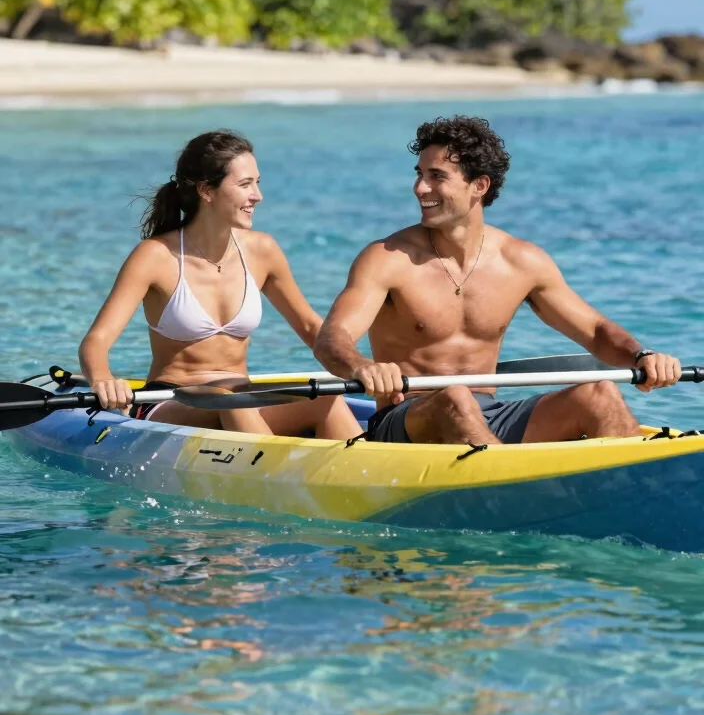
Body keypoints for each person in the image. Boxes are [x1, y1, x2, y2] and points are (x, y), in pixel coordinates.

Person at [314, 115, 682, 446]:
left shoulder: (521, 262)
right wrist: (362, 366)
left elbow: (596, 331)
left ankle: (635, 493)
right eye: (419, 174)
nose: (420, 188)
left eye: (436, 177)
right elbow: (333, 339)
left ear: (479, 185)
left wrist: (642, 356)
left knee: (601, 393)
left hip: (490, 414)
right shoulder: (387, 258)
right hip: (405, 420)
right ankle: (516, 495)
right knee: (454, 398)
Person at [79, 129, 362, 439]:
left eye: (257, 182)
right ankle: (270, 477)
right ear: (207, 191)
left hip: (243, 399)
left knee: (325, 399)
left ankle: (369, 477)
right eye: (244, 184)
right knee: (229, 403)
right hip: (171, 402)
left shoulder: (262, 251)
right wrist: (103, 381)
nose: (257, 195)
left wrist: (359, 365)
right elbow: (97, 340)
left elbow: (312, 329)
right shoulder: (155, 256)